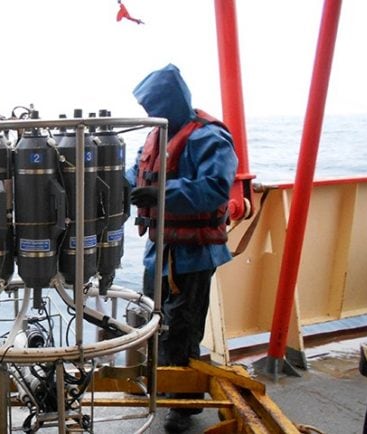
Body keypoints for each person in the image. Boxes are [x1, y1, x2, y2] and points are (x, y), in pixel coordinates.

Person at [126, 64, 237, 432]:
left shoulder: (209, 139)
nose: (148, 113)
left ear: (172, 101)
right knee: (153, 321)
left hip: (190, 257)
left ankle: (184, 405)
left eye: (153, 104)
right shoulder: (158, 135)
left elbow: (214, 188)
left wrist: (160, 195)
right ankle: (161, 384)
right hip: (160, 251)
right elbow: (137, 173)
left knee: (183, 328)